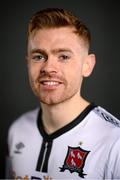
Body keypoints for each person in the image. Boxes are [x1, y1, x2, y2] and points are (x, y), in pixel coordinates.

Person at [6, 8, 120, 179]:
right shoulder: (17, 129)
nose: (48, 68)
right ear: (28, 63)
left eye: (64, 56)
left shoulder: (115, 142)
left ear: (87, 65)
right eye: (38, 56)